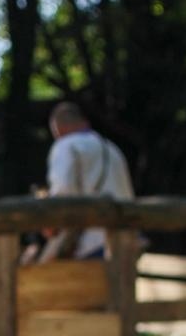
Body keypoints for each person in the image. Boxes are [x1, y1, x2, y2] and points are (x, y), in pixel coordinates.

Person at [26, 100, 135, 263]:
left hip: (92, 245)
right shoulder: (111, 148)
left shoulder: (65, 146)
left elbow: (63, 193)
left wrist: (50, 223)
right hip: (126, 242)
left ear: (58, 129)